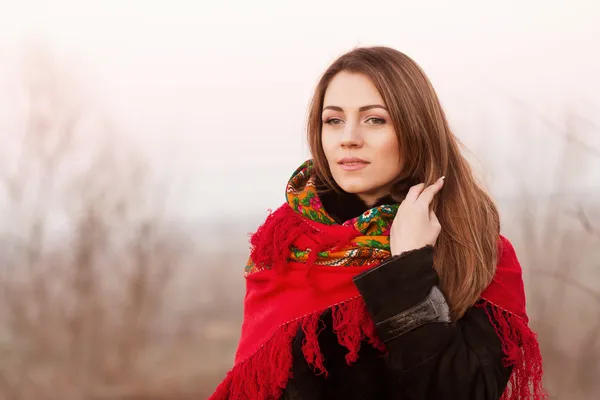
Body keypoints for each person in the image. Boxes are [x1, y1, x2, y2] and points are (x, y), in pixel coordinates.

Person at [209, 46, 546, 400]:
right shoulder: (286, 246)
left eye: (375, 119)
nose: (349, 137)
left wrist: (410, 268)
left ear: (416, 130)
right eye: (334, 120)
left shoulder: (475, 250)